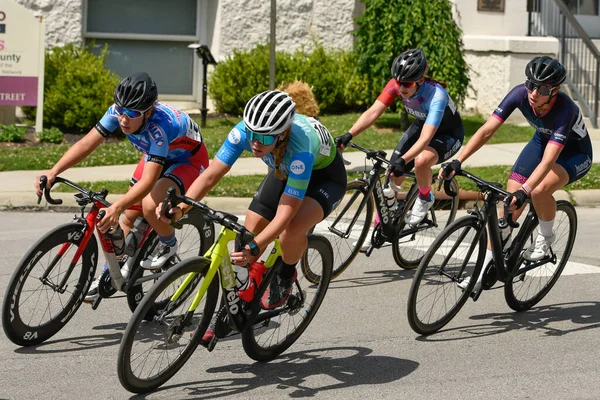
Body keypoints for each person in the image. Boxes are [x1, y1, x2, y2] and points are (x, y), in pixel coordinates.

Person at [158, 89, 347, 340]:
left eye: (264, 138)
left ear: (282, 135)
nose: (256, 142)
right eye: (253, 134)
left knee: (291, 230)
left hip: (325, 179)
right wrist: (182, 206)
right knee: (250, 226)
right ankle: (243, 296)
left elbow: (285, 212)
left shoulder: (300, 148)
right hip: (283, 169)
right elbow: (212, 174)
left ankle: (286, 272)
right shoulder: (244, 132)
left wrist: (257, 247)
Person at [34, 72, 209, 302]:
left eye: (132, 113)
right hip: (155, 154)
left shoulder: (160, 127)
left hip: (188, 160)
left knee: (148, 205)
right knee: (127, 217)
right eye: (120, 110)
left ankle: (169, 245)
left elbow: (148, 183)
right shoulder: (119, 112)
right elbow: (87, 143)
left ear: (147, 113)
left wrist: (115, 206)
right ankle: (110, 273)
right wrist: (54, 171)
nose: (124, 118)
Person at [442, 56, 593, 293]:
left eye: (542, 88)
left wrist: (526, 191)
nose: (534, 92)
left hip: (574, 154)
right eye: (531, 84)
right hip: (542, 141)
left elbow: (548, 161)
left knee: (539, 190)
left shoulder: (565, 110)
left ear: (555, 90)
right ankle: (485, 269)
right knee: (507, 205)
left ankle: (545, 238)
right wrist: (458, 160)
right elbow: (486, 131)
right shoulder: (519, 93)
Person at [335, 48, 464, 250]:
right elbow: (373, 112)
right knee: (391, 176)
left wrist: (404, 160)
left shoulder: (436, 95)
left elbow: (425, 140)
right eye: (398, 82)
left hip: (448, 135)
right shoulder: (397, 84)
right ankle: (380, 227)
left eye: (408, 83)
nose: (401, 87)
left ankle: (425, 196)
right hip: (423, 124)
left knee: (421, 161)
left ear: (420, 80)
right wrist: (349, 134)